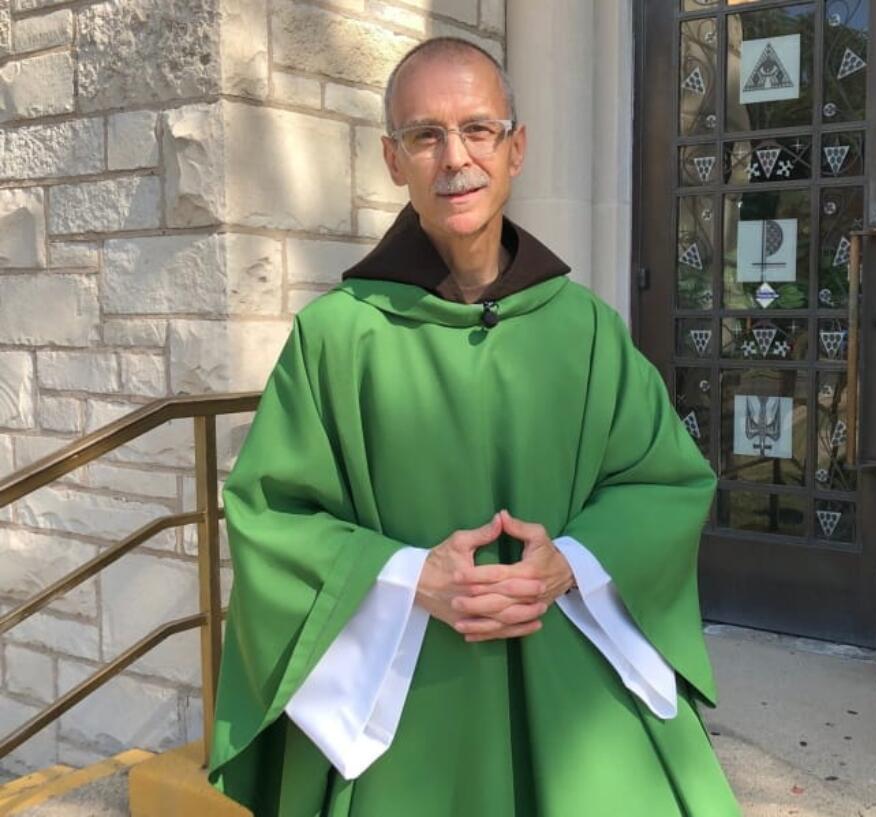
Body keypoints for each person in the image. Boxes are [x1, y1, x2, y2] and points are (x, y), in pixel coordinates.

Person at [207, 36, 741, 817]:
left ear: (515, 148)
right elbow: (271, 516)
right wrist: (409, 577)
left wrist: (568, 564)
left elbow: (661, 480)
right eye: (426, 135)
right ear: (394, 160)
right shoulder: (334, 337)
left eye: (478, 129)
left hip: (568, 676)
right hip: (408, 692)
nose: (455, 157)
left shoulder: (585, 329)